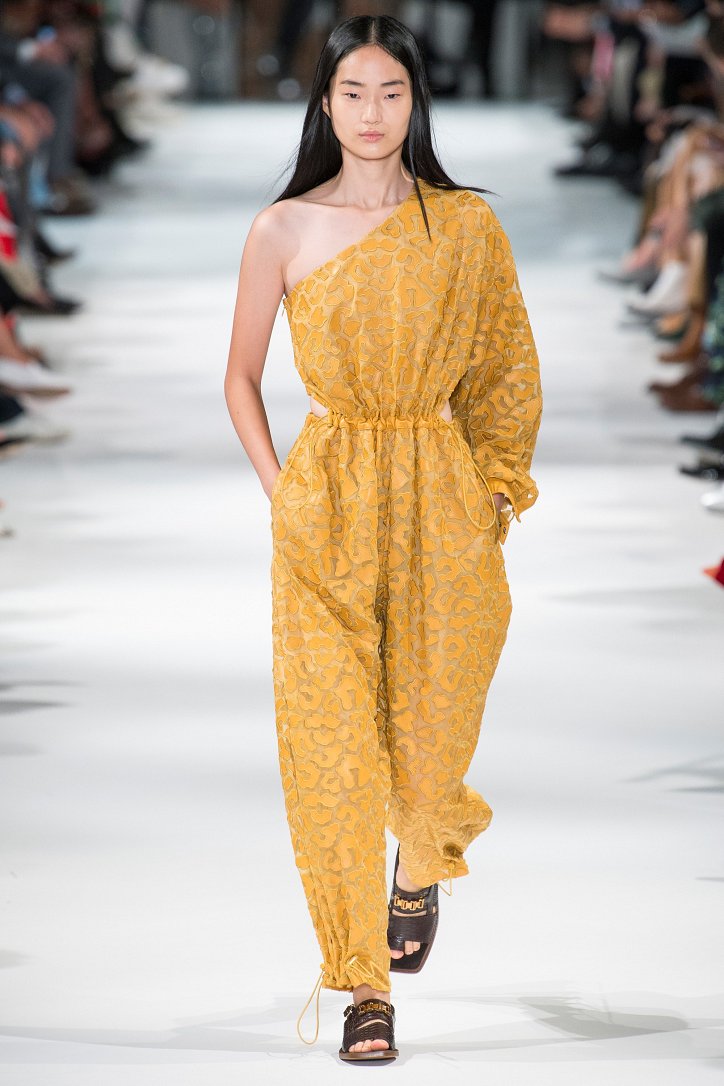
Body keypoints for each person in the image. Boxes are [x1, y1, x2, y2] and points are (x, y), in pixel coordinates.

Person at [224, 13, 543, 1064]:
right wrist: (282, 493)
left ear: (417, 102)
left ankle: (419, 859)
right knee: (331, 752)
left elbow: (505, 367)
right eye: (353, 93)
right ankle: (364, 986)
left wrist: (493, 492)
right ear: (324, 103)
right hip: (327, 498)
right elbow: (239, 376)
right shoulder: (282, 229)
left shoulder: (465, 227)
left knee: (432, 737)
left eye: (391, 92)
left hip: (441, 496)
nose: (371, 113)